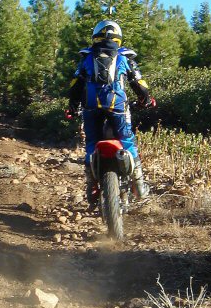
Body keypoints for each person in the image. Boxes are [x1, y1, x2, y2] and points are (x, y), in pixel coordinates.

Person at [65, 20, 155, 206]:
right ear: (118, 37)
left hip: (90, 107)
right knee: (127, 139)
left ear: (95, 35)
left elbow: (75, 85)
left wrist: (72, 107)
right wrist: (145, 100)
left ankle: (91, 185)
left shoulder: (87, 58)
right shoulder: (124, 57)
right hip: (118, 107)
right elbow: (139, 83)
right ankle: (139, 186)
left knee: (91, 142)